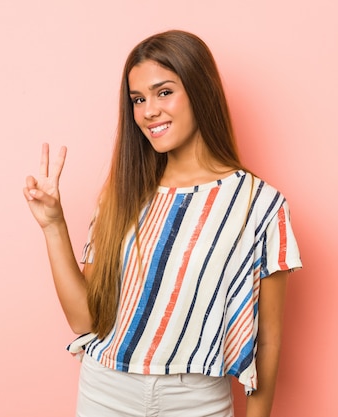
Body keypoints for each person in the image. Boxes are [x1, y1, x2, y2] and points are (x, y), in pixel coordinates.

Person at [23, 30, 301, 417]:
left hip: (197, 401)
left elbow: (267, 342)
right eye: (138, 99)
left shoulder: (259, 204)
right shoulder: (121, 195)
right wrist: (53, 224)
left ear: (200, 91)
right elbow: (84, 319)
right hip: (105, 391)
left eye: (164, 92)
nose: (148, 110)